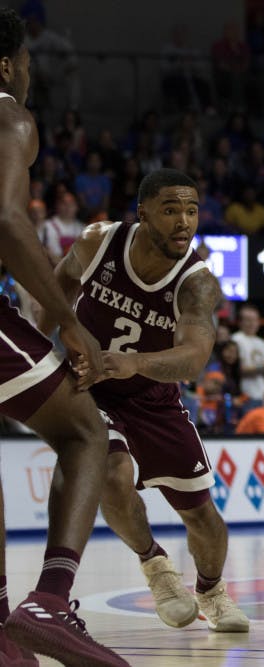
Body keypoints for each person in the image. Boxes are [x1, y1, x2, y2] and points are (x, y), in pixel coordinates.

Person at [42, 168, 250, 634]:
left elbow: (195, 358)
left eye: (192, 210)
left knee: (202, 517)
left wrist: (132, 364)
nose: (184, 221)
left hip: (152, 398)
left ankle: (212, 590)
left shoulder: (196, 282)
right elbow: (56, 291)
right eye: (171, 209)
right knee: (112, 475)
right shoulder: (99, 241)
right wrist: (43, 349)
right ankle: (155, 566)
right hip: (88, 388)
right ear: (143, 213)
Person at [0, 10, 127, 664]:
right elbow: (7, 220)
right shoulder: (9, 115)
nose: (29, 75)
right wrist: (70, 321)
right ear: (6, 66)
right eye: (27, 64)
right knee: (85, 431)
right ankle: (50, 598)